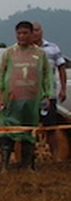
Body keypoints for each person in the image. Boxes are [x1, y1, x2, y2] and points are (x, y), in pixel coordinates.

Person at [0, 20, 53, 170]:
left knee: (29, 131)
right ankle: (4, 165)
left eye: (25, 33)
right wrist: (0, 94)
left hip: (31, 100)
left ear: (32, 34)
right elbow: (0, 73)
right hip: (11, 99)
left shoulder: (40, 54)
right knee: (8, 132)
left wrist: (47, 95)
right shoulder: (9, 53)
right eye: (19, 33)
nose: (22, 36)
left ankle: (28, 165)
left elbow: (47, 76)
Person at [32, 23, 69, 158]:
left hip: (48, 94)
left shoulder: (52, 48)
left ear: (42, 31)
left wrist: (63, 89)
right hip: (29, 95)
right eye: (32, 30)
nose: (35, 33)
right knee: (28, 128)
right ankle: (27, 159)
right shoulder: (24, 49)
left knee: (51, 127)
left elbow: (61, 68)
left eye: (37, 30)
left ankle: (56, 157)